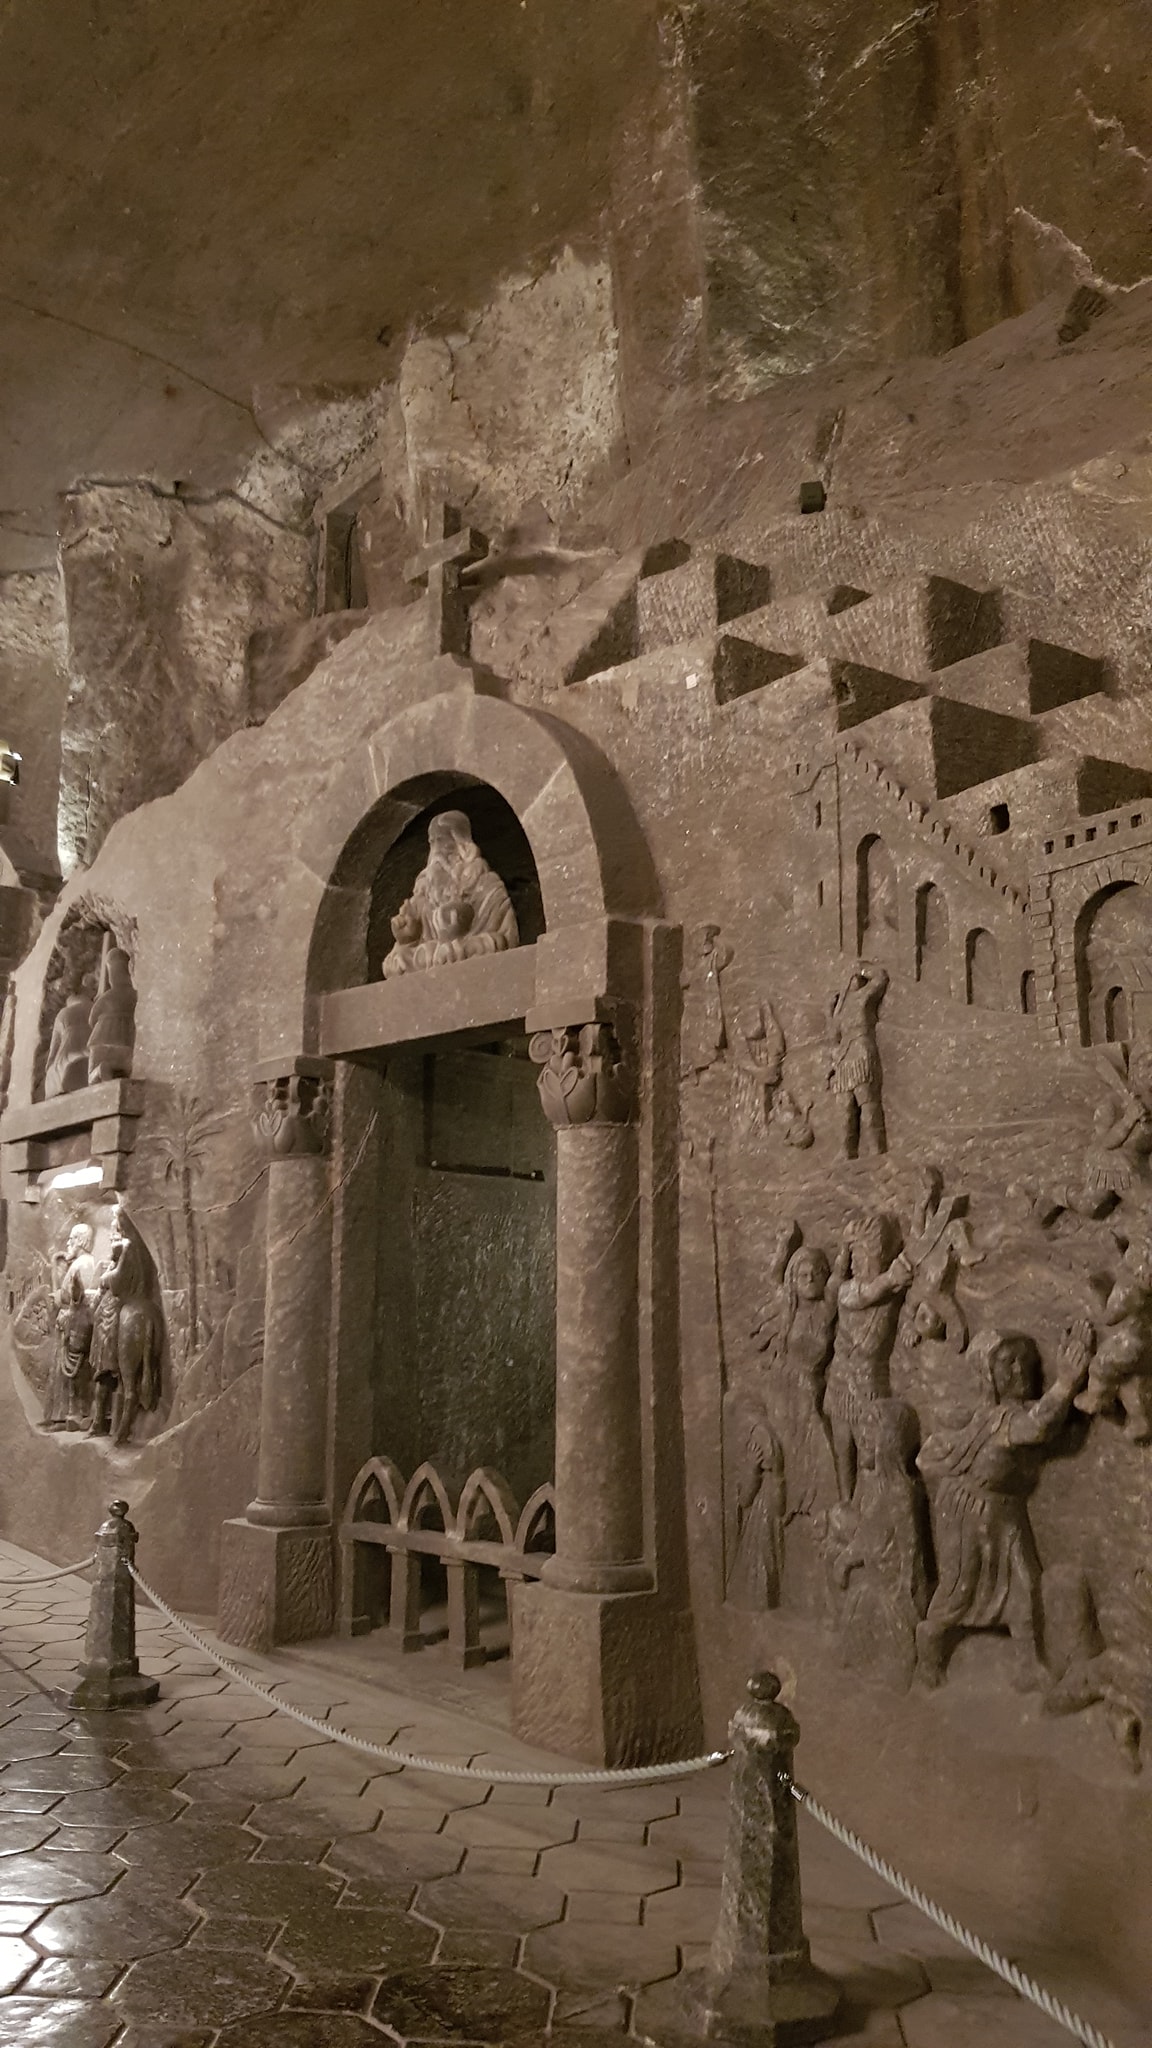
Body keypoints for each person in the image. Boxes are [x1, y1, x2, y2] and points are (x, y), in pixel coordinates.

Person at [915, 1321, 1094, 1692]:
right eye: (1007, 1363)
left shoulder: (1020, 1411)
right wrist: (1065, 1382)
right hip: (968, 1512)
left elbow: (1050, 1426)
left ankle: (1028, 1666)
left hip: (1005, 1512)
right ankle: (928, 1657)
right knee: (958, 1590)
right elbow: (1037, 1427)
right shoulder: (997, 1418)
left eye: (1024, 1360)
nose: (1019, 1369)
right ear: (987, 1375)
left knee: (1023, 1586)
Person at [823, 1213, 912, 1502]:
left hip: (871, 1384)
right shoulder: (849, 1290)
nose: (855, 1263)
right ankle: (845, 1503)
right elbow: (863, 1295)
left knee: (871, 1453)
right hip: (841, 1381)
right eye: (853, 1256)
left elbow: (912, 1295)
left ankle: (868, 1509)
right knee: (842, 1446)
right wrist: (889, 1278)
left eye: (861, 1255)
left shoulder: (894, 1291)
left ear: (879, 1257)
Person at [383, 811, 519, 977]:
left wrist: (459, 941)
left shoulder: (487, 886)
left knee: (459, 951)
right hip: (429, 962)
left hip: (474, 960)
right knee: (401, 961)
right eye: (432, 842)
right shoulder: (422, 897)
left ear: (462, 845)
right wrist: (406, 940)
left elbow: (505, 941)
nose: (437, 851)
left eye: (442, 841)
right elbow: (393, 966)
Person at [827, 961, 889, 1157]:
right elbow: (834, 1037)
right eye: (850, 977)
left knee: (866, 1100)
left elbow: (881, 978)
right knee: (845, 1105)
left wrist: (863, 968)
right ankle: (846, 1151)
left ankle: (876, 1148)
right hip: (844, 1057)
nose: (852, 980)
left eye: (855, 977)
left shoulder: (864, 997)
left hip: (860, 1050)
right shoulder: (841, 1009)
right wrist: (829, 1011)